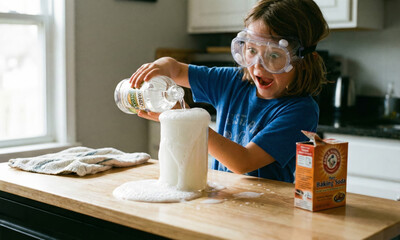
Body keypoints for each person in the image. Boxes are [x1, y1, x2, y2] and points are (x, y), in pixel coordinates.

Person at [129, 0, 329, 183]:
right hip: (224, 194)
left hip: (268, 209)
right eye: (251, 50)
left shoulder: (301, 110)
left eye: (274, 55)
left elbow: (243, 162)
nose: (258, 67)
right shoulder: (233, 81)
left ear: (301, 60)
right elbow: (176, 69)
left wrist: (187, 122)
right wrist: (161, 66)